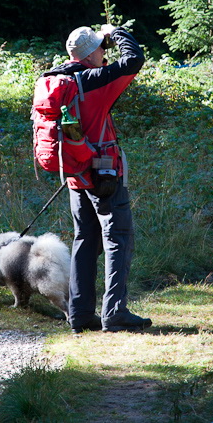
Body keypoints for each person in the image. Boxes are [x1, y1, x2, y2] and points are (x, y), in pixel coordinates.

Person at [42, 23, 151, 333]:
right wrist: (115, 32)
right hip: (104, 173)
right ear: (91, 55)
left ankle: (79, 315)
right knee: (118, 239)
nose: (105, 54)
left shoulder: (55, 79)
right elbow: (133, 60)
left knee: (85, 241)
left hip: (76, 173)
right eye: (102, 49)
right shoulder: (95, 80)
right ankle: (115, 314)